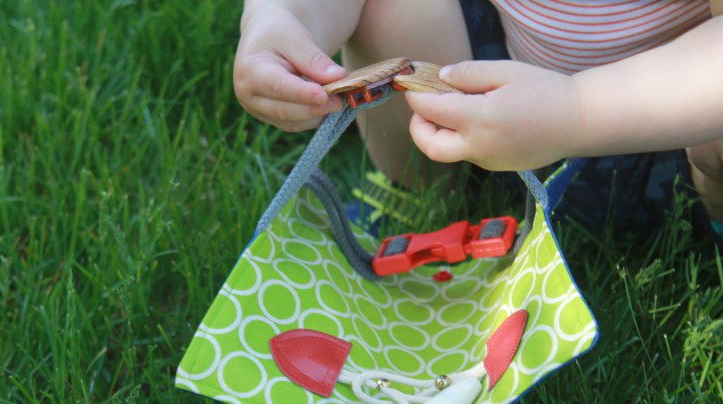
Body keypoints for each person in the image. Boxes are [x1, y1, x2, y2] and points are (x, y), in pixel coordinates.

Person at [233, 0, 723, 244]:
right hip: (487, 86)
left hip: (663, 141)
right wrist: (282, 19)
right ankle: (422, 191)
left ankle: (706, 225)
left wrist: (576, 110)